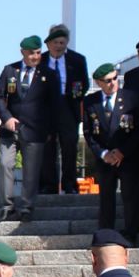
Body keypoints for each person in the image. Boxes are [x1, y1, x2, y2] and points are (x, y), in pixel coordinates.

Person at [83, 63, 139, 238]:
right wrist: (103, 154)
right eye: (107, 81)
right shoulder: (91, 101)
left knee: (130, 196)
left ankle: (131, 232)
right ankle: (106, 234)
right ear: (99, 82)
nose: (112, 83)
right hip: (105, 159)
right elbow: (89, 133)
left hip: (127, 157)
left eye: (115, 78)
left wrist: (122, 151)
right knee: (106, 198)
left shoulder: (131, 98)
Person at [0, 35, 52, 222]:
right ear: (23, 52)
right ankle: (7, 206)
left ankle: (27, 207)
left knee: (31, 171)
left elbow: (54, 105)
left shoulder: (48, 74)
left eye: (38, 52)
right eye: (31, 53)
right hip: (9, 129)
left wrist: (50, 130)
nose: (36, 57)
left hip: (35, 130)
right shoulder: (10, 70)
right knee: (5, 164)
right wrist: (6, 118)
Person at [40, 26, 88, 194]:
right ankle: (49, 185)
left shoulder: (77, 60)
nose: (59, 46)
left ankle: (69, 184)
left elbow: (84, 84)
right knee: (47, 148)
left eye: (62, 42)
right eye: (56, 42)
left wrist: (76, 94)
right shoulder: (40, 60)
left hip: (68, 106)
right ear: (49, 43)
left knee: (69, 147)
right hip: (47, 109)